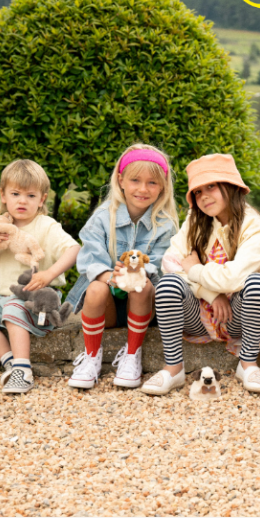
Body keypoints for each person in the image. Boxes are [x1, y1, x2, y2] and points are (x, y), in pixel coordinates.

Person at [143, 153, 260, 395]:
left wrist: (195, 269)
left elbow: (233, 278)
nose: (204, 195)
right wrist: (208, 293)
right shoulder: (195, 221)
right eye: (198, 191)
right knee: (168, 283)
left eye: (211, 186)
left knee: (258, 284)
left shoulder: (256, 226)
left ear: (230, 187)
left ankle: (248, 364)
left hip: (238, 317)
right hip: (199, 317)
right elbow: (170, 262)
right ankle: (173, 368)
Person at [66, 144, 179, 391]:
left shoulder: (165, 224)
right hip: (106, 306)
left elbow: (162, 262)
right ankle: (91, 357)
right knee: (95, 288)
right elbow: (88, 258)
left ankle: (132, 355)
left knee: (142, 285)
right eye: (135, 180)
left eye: (152, 182)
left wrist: (137, 274)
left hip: (142, 307)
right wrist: (110, 276)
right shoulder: (103, 217)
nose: (143, 189)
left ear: (163, 186)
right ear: (121, 180)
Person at [0, 159, 80, 393]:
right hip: (3, 299)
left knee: (13, 310)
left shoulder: (46, 226)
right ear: (3, 195)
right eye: (16, 193)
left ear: (42, 199)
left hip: (38, 303)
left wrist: (49, 273)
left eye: (30, 195)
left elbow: (74, 250)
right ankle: (10, 361)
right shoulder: (0, 227)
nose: (22, 200)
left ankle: (24, 371)